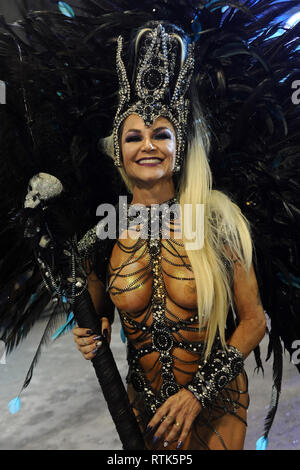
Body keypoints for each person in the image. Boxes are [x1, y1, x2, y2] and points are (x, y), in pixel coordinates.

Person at [72, 23, 266, 450]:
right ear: (118, 150)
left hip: (217, 404)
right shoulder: (103, 235)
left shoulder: (218, 221)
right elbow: (97, 314)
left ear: (179, 148)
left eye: (161, 134)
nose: (148, 146)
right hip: (144, 410)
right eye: (134, 136)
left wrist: (197, 395)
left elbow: (254, 321)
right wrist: (92, 330)